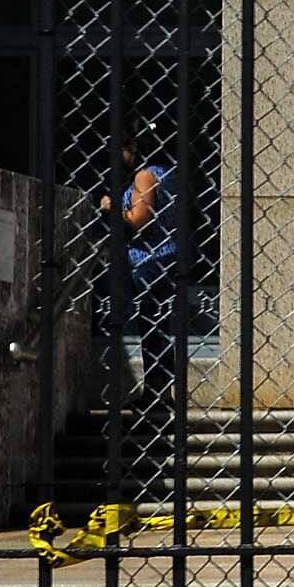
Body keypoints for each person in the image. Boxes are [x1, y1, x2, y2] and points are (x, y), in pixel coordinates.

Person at [98, 133, 186, 403]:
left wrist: (111, 207)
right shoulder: (170, 172)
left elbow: (139, 219)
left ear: (135, 148)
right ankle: (162, 389)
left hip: (151, 261)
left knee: (152, 327)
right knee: (159, 325)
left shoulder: (145, 176)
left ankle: (157, 391)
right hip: (167, 258)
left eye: (124, 148)